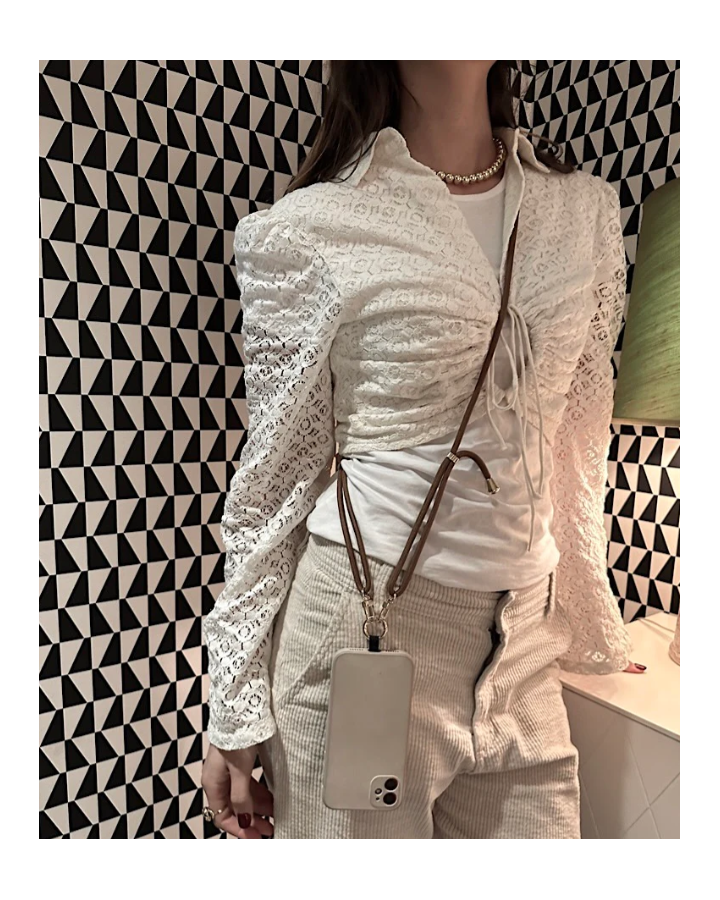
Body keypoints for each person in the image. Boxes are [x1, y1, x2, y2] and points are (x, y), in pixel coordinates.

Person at [200, 60, 647, 840]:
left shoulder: (583, 212)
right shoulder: (313, 226)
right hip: (362, 633)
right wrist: (232, 699)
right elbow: (275, 480)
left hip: (525, 651)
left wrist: (589, 611)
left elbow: (579, 437)